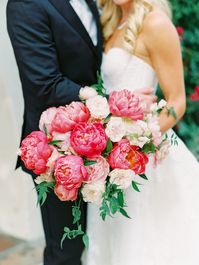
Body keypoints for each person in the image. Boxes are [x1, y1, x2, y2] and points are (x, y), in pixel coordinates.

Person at [6, 1, 156, 264]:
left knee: (106, 242)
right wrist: (116, 102)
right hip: (56, 152)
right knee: (66, 251)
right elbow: (45, 85)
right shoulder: (25, 5)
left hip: (104, 144)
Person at [83, 0, 199, 264]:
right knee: (116, 240)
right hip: (110, 158)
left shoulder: (155, 23)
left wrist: (139, 141)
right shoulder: (108, 23)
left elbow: (177, 101)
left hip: (143, 156)